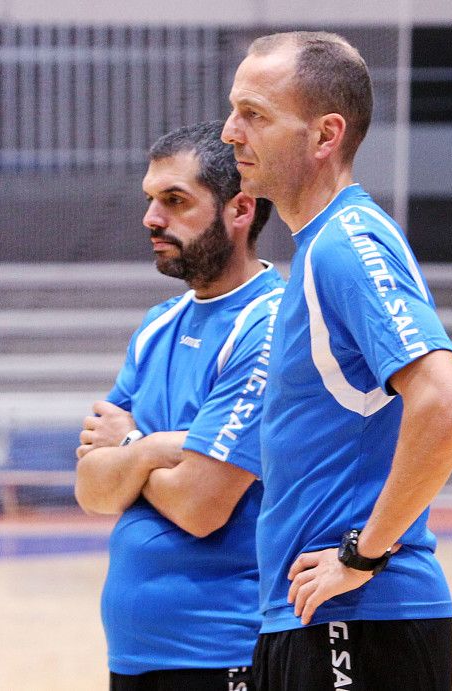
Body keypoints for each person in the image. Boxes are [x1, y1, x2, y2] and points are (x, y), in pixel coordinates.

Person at [221, 32, 452, 690]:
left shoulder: (346, 243)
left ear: (325, 134)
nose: (229, 132)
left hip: (358, 620)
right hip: (308, 618)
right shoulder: (317, 247)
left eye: (254, 114)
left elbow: (447, 405)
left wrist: (362, 552)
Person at [74, 120, 283, 691]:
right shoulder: (158, 323)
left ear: (239, 211)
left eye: (174, 201)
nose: (151, 219)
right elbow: (91, 490)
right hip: (136, 660)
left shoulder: (269, 324)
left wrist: (131, 446)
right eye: (150, 200)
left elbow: (201, 503)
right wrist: (162, 450)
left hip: (223, 655)